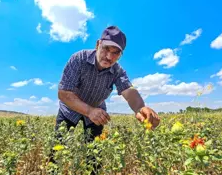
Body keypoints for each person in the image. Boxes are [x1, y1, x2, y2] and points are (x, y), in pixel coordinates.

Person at [49, 25, 160, 173]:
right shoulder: (79, 59)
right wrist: (89, 110)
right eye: (106, 49)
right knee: (57, 149)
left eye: (116, 53)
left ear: (120, 55)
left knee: (95, 154)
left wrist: (141, 108)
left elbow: (129, 91)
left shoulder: (117, 71)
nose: (109, 57)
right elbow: (63, 93)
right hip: (70, 110)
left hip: (97, 113)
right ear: (98, 44)